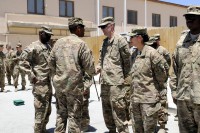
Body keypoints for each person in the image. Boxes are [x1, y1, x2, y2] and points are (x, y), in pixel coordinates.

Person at [48, 17, 96, 133]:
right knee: (74, 117)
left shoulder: (58, 43)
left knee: (60, 115)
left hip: (60, 86)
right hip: (74, 88)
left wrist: (56, 76)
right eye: (83, 28)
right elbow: (90, 69)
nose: (84, 30)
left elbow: (50, 63)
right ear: (78, 28)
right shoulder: (81, 44)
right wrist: (95, 70)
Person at [128, 28, 168, 133]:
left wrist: (157, 94)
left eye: (132, 37)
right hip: (135, 100)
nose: (129, 39)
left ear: (139, 37)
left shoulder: (152, 54)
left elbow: (162, 76)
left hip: (148, 102)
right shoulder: (134, 55)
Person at [96, 16, 131, 133]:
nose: (102, 30)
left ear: (111, 26)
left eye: (104, 27)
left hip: (116, 84)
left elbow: (127, 63)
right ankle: (111, 130)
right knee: (107, 112)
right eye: (101, 27)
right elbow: (101, 59)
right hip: (105, 82)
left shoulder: (120, 41)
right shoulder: (104, 42)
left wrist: (126, 82)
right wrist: (98, 67)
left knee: (119, 113)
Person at [170, 6, 200, 133]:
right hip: (183, 99)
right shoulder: (181, 42)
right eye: (187, 17)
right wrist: (174, 91)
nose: (189, 20)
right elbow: (175, 69)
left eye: (193, 17)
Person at [19, 26, 53, 133]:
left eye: (49, 35)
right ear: (41, 33)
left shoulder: (48, 46)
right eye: (47, 34)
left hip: (48, 83)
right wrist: (31, 75)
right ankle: (38, 131)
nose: (49, 37)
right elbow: (22, 62)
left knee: (47, 110)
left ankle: (43, 129)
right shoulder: (33, 47)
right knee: (40, 111)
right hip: (39, 84)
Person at [147, 35, 171, 133]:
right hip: (151, 81)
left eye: (155, 41)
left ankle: (162, 125)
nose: (153, 42)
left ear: (158, 41)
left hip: (161, 81)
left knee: (162, 103)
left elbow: (167, 64)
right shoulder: (149, 50)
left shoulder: (163, 51)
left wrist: (163, 76)